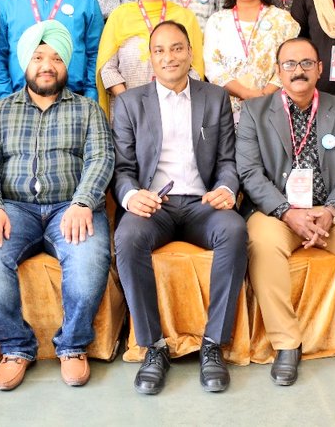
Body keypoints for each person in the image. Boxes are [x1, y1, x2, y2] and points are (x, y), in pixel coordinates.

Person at [0, 21, 115, 391]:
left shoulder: (88, 110)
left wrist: (84, 201)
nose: (47, 65)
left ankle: (73, 345)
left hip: (72, 207)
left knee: (87, 260)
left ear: (66, 64)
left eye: (56, 58)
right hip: (14, 209)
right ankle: (15, 347)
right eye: (38, 57)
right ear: (25, 63)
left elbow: (101, 159)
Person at [236, 37, 335, 385]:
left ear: (320, 69)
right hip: (278, 212)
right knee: (261, 245)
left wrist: (332, 210)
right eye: (289, 64)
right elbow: (249, 173)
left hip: (333, 210)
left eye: (306, 63)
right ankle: (286, 344)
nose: (298, 71)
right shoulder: (255, 112)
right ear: (278, 71)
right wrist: (286, 212)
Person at [112, 20, 246, 395]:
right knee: (128, 238)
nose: (169, 57)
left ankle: (213, 345)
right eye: (160, 50)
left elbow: (228, 161)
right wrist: (131, 196)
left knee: (235, 230)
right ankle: (154, 347)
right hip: (155, 206)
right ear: (150, 57)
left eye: (176, 48)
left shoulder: (214, 97)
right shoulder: (129, 103)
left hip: (203, 204)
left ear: (189, 52)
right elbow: (122, 169)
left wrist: (226, 187)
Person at [96, 0, 204, 119]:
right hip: (130, 113)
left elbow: (196, 68)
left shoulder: (185, 17)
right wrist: (130, 103)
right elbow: (107, 68)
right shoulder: (120, 16)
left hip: (176, 110)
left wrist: (172, 98)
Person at [203, 0, 299, 122]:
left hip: (274, 107)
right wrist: (245, 93)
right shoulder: (217, 21)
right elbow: (212, 66)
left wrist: (265, 93)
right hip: (227, 110)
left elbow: (291, 62)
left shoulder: (283, 20)